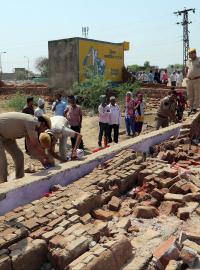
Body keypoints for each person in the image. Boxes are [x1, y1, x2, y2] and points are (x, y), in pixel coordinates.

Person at [0, 112, 51, 183]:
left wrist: (43, 161)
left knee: (19, 155)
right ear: (43, 124)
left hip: (7, 136)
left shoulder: (32, 127)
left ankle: (19, 179)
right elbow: (35, 144)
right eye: (45, 129)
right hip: (2, 133)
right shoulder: (32, 123)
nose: (44, 131)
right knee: (2, 160)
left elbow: (31, 148)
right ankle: (4, 184)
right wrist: (46, 157)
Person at [186, 48, 200, 114]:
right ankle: (191, 108)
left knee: (197, 94)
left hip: (197, 79)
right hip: (189, 80)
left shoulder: (199, 60)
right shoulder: (188, 61)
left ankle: (195, 108)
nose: (189, 55)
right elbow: (187, 69)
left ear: (194, 53)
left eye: (190, 53)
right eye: (189, 53)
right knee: (190, 94)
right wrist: (186, 77)